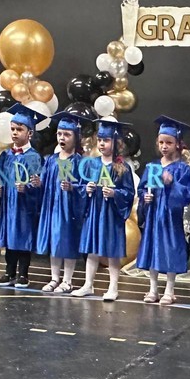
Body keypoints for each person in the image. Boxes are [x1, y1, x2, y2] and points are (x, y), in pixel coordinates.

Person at [137, 116, 190, 305]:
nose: (164, 146)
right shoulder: (153, 166)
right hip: (154, 215)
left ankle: (169, 290)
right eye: (161, 142)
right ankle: (153, 289)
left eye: (169, 143)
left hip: (170, 218)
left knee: (171, 250)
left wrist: (171, 184)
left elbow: (187, 195)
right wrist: (144, 198)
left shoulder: (183, 169)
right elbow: (143, 188)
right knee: (152, 249)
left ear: (178, 144)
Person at [76, 118, 135, 301]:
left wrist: (115, 193)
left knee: (112, 251)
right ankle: (88, 284)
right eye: (100, 140)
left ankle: (113, 287)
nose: (102, 143)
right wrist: (87, 189)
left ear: (116, 142)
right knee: (91, 249)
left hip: (111, 214)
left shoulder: (122, 167)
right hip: (95, 211)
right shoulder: (91, 164)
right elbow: (82, 186)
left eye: (106, 140)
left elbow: (129, 193)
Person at [36, 111, 87, 294]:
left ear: (76, 137)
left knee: (67, 241)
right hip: (53, 206)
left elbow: (85, 187)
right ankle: (54, 278)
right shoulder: (51, 160)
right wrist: (38, 183)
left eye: (67, 134)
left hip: (69, 209)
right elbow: (44, 182)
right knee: (54, 241)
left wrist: (73, 188)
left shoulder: (80, 162)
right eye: (59, 134)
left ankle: (67, 280)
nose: (62, 138)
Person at [0, 104, 45, 289]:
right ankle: (9, 272)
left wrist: (28, 188)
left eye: (19, 129)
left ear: (29, 133)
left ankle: (23, 273)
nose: (15, 133)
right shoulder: (5, 155)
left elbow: (39, 183)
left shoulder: (34, 157)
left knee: (23, 237)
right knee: (9, 237)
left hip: (24, 206)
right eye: (13, 129)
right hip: (9, 204)